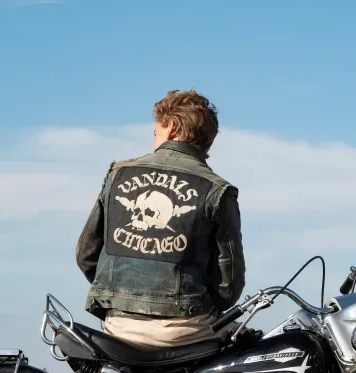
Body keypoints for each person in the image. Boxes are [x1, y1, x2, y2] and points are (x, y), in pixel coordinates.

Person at [75, 89, 245, 349]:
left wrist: (119, 296)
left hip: (118, 327)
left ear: (172, 128)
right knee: (251, 346)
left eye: (156, 132)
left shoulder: (118, 174)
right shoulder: (217, 190)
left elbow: (85, 255)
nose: (155, 138)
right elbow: (229, 284)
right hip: (185, 329)